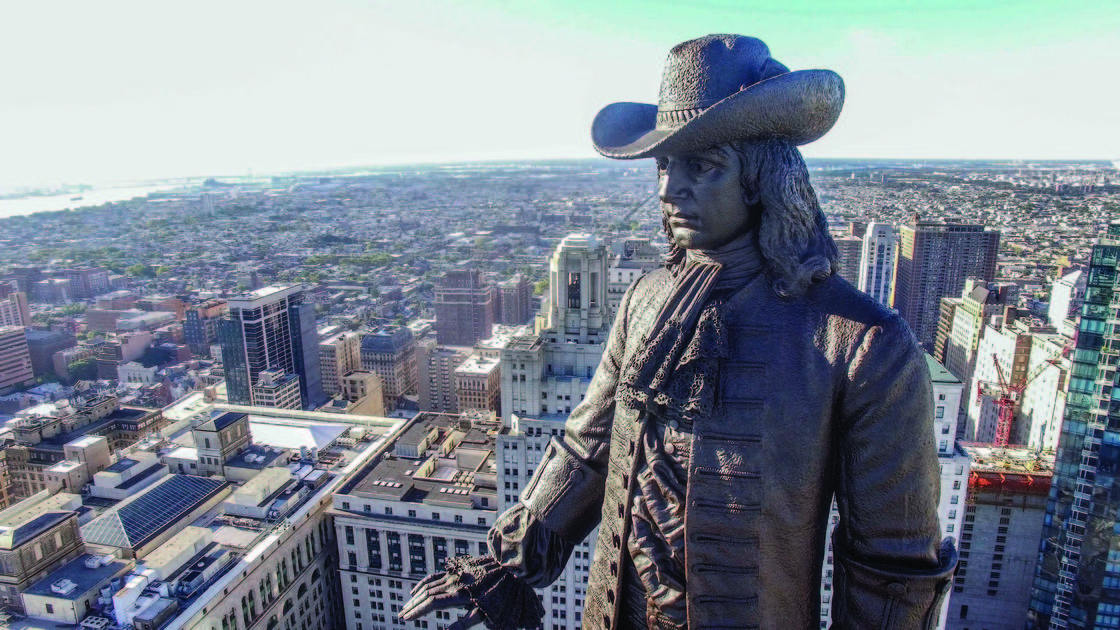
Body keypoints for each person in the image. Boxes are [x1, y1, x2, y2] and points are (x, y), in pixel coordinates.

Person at [403, 34, 956, 630]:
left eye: (703, 166)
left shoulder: (861, 343)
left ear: (760, 178)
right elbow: (590, 448)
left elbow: (892, 568)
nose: (669, 189)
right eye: (665, 165)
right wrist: (505, 565)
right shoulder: (644, 300)